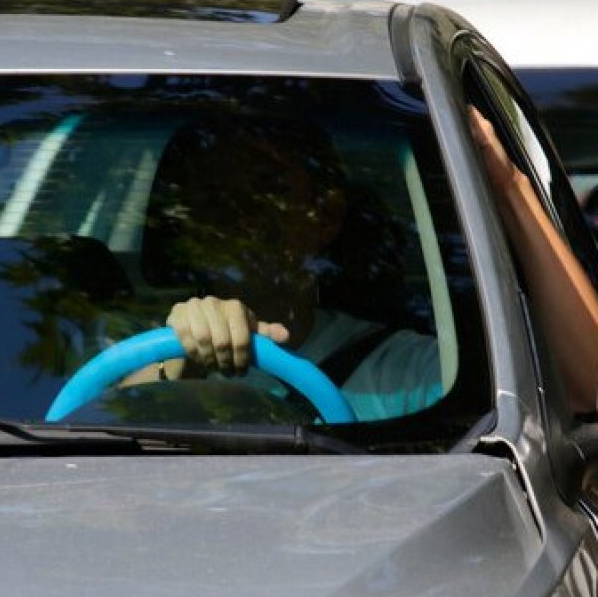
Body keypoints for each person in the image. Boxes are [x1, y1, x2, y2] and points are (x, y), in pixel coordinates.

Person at [126, 115, 442, 422]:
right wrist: (177, 359)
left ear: (326, 217)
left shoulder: (407, 369)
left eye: (266, 188)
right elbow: (94, 436)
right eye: (213, 195)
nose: (236, 212)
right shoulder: (130, 341)